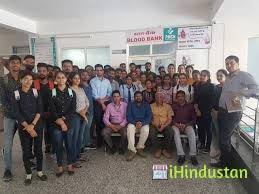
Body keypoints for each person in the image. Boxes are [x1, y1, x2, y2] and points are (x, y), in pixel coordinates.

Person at [217, 55, 258, 168]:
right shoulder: (229, 77)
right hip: (223, 110)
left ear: (238, 64)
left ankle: (227, 167)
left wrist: (243, 92)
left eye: (231, 63)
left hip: (233, 112)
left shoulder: (243, 75)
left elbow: (256, 88)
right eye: (227, 63)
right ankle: (222, 162)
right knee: (223, 138)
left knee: (224, 139)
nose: (228, 65)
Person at [12, 72, 47, 185]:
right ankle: (28, 174)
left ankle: (40, 171)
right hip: (24, 127)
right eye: (26, 79)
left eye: (31, 79)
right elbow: (16, 113)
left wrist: (33, 125)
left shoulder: (36, 92)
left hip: (37, 124)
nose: (28, 81)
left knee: (38, 149)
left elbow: (40, 110)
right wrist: (28, 126)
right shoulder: (16, 94)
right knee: (26, 150)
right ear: (21, 80)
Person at [48, 71, 76, 176]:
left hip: (68, 122)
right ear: (55, 79)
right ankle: (59, 166)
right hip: (55, 123)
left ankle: (70, 164)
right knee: (58, 145)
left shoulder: (71, 92)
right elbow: (52, 109)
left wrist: (64, 119)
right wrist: (59, 121)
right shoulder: (52, 92)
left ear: (66, 79)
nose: (61, 79)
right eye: (58, 78)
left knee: (69, 144)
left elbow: (73, 109)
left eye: (63, 77)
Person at [0, 55, 22, 181]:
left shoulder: (24, 79)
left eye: (17, 63)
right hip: (10, 116)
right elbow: (3, 101)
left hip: (23, 116)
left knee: (26, 142)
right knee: (8, 144)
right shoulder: (3, 80)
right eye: (12, 63)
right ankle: (7, 169)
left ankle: (29, 162)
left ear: (20, 65)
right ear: (9, 65)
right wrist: (15, 114)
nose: (15, 65)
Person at [172, 90, 198, 166]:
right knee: (175, 133)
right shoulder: (173, 106)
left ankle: (193, 155)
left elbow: (194, 119)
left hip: (187, 125)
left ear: (185, 97)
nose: (180, 98)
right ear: (176, 98)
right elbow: (170, 118)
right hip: (176, 125)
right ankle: (181, 155)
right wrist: (175, 124)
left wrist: (186, 125)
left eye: (182, 96)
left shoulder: (190, 106)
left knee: (192, 132)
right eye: (178, 97)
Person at [69, 72, 89, 167]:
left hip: (83, 115)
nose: (77, 80)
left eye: (78, 78)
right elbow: (72, 105)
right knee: (75, 137)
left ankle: (78, 155)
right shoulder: (70, 90)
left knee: (80, 137)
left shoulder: (81, 89)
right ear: (71, 79)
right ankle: (73, 159)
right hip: (75, 116)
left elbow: (87, 102)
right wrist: (82, 114)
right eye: (75, 78)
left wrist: (84, 112)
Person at [34, 63, 55, 154]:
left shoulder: (52, 84)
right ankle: (37, 151)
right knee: (39, 132)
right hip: (37, 112)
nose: (41, 73)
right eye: (39, 71)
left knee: (50, 130)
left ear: (47, 72)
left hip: (50, 112)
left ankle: (49, 145)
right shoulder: (34, 84)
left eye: (44, 71)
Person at [90, 64, 112, 147]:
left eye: (100, 70)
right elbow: (94, 95)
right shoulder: (92, 81)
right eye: (97, 70)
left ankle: (106, 140)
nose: (99, 71)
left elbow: (109, 92)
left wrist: (104, 101)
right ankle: (99, 141)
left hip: (106, 103)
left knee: (106, 121)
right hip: (97, 103)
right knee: (98, 122)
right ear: (95, 71)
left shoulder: (107, 81)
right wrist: (102, 103)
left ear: (103, 71)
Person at [126, 91, 152, 161]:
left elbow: (149, 116)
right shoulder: (130, 104)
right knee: (130, 128)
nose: (138, 97)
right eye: (136, 96)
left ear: (142, 97)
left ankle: (140, 147)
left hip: (143, 123)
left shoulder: (146, 104)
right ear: (134, 97)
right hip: (133, 123)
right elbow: (128, 116)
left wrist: (142, 123)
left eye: (140, 96)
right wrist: (135, 123)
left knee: (146, 130)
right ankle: (132, 150)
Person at [194, 70, 215, 153]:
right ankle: (202, 144)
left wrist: (209, 110)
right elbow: (195, 99)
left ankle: (208, 146)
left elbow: (212, 100)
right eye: (201, 75)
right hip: (199, 111)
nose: (202, 77)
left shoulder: (211, 86)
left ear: (208, 77)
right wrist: (197, 109)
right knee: (200, 128)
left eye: (204, 75)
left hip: (208, 111)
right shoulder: (197, 86)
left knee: (208, 129)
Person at [210, 69, 228, 165]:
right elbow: (212, 100)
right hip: (214, 113)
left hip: (225, 115)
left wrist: (220, 112)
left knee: (223, 135)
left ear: (226, 76)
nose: (219, 77)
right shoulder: (215, 87)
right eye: (218, 75)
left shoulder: (228, 87)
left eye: (221, 75)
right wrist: (213, 110)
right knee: (216, 134)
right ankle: (216, 155)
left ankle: (222, 158)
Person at [102, 90, 127, 154]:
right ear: (112, 98)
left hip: (122, 124)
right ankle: (112, 146)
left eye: (118, 96)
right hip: (112, 124)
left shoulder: (125, 105)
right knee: (104, 133)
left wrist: (121, 125)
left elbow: (127, 118)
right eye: (114, 96)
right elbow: (105, 118)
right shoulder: (109, 106)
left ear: (120, 97)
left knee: (125, 133)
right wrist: (111, 125)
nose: (116, 98)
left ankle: (121, 146)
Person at [149, 92, 173, 159]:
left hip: (165, 125)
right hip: (154, 124)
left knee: (170, 131)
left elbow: (170, 119)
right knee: (151, 132)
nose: (159, 98)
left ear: (163, 98)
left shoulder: (168, 106)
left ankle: (164, 149)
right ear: (155, 98)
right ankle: (158, 149)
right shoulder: (150, 106)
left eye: (161, 97)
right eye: (157, 97)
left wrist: (164, 126)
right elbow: (149, 118)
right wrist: (156, 125)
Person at [80, 70, 95, 150]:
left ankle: (87, 143)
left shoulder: (89, 85)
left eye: (87, 75)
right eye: (83, 75)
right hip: (84, 110)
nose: (85, 76)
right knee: (83, 128)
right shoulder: (80, 86)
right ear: (80, 76)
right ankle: (82, 145)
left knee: (88, 127)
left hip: (91, 108)